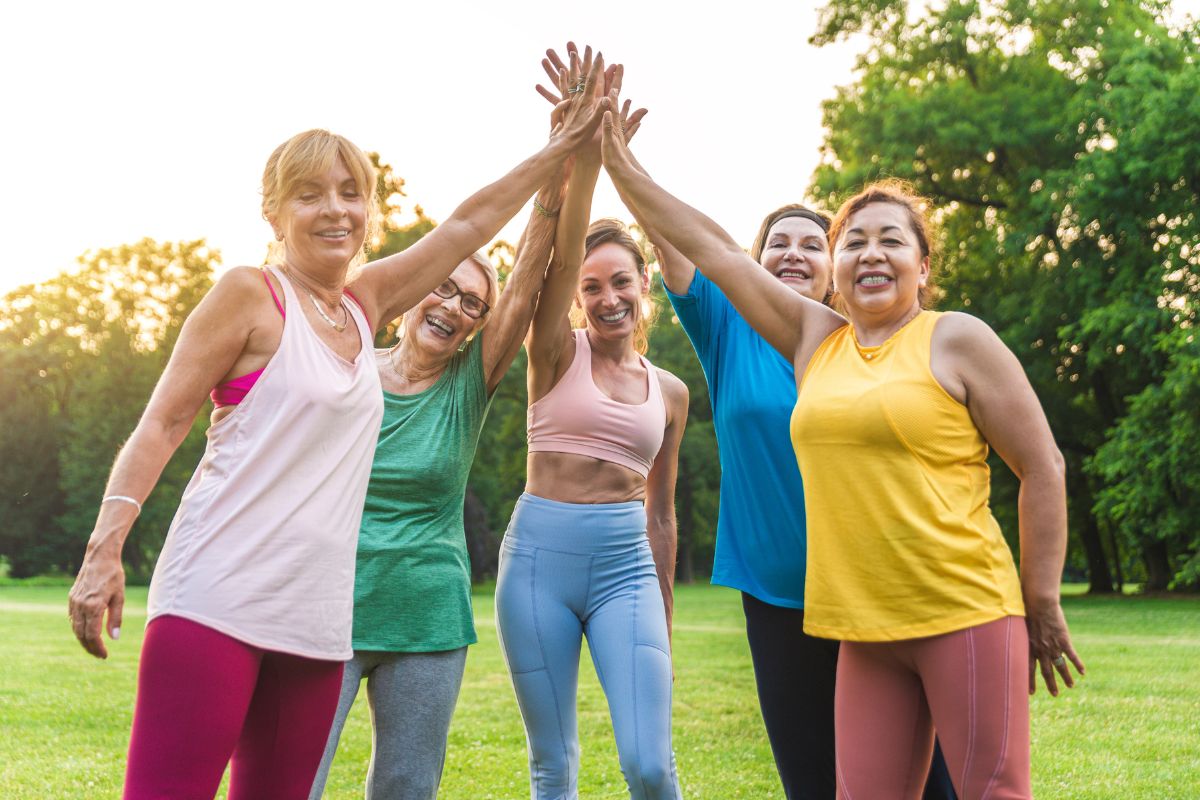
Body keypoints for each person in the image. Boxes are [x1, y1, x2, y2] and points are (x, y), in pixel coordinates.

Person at [66, 67, 608, 800]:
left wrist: (561, 148)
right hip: (216, 599)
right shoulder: (248, 295)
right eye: (309, 193)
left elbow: (467, 227)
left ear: (369, 212)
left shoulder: (364, 304)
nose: (334, 209)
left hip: (318, 623)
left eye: (351, 193)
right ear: (273, 212)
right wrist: (103, 550)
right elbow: (161, 423)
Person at [602, 113, 1084, 798]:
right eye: (855, 241)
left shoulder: (957, 339)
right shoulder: (815, 341)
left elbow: (1042, 466)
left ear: (923, 265)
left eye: (892, 240)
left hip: (963, 608)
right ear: (841, 267)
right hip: (860, 625)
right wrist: (619, 164)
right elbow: (715, 250)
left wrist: (1041, 600)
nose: (871, 253)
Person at [632, 195, 957, 799]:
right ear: (752, 262)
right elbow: (677, 239)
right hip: (776, 595)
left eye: (812, 245)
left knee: (927, 782)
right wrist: (619, 160)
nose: (793, 254)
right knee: (810, 778)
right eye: (778, 243)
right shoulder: (727, 327)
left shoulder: (863, 341)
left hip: (875, 590)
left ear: (835, 267)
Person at [307, 129, 571, 799]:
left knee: (406, 786)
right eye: (443, 288)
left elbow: (526, 287)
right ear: (414, 290)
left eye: (471, 303)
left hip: (426, 616)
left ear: (477, 326)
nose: (453, 307)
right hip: (326, 605)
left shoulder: (467, 385)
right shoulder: (344, 366)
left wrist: (555, 178)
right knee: (292, 779)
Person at [494, 44, 688, 800]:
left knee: (650, 764)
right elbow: (564, 242)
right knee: (554, 764)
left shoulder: (670, 393)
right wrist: (585, 154)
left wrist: (663, 604)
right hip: (537, 563)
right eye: (592, 287)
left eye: (622, 283)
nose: (609, 298)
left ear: (645, 288)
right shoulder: (552, 352)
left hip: (625, 569)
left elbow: (661, 515)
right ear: (576, 297)